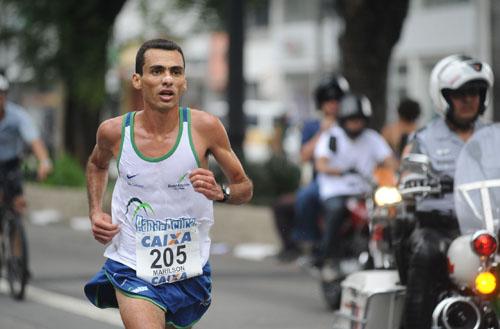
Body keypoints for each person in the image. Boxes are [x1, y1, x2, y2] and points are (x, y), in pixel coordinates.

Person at [83, 39, 253, 329]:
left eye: (176, 72)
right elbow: (97, 164)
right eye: (157, 71)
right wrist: (95, 211)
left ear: (184, 82)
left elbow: (244, 187)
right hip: (131, 264)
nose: (167, 80)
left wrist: (221, 192)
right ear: (137, 79)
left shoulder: (205, 128)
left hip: (189, 270)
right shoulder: (113, 132)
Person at [398, 54, 494, 329]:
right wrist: (412, 180)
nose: (469, 100)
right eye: (460, 94)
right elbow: (406, 174)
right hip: (442, 226)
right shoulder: (423, 139)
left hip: (487, 225)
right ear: (445, 98)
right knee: (427, 251)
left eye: (475, 92)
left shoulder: (492, 136)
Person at [314, 93, 396, 270]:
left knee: (390, 215)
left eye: (359, 119)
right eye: (352, 119)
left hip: (365, 191)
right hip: (337, 190)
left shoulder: (373, 138)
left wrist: (402, 170)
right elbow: (320, 164)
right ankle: (328, 257)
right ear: (343, 120)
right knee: (335, 210)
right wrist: (339, 171)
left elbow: (391, 162)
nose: (356, 124)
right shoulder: (331, 137)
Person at [291, 75, 350, 258]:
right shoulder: (312, 125)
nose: (333, 105)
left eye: (336, 101)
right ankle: (311, 242)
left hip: (351, 178)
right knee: (304, 197)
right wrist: (322, 132)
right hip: (323, 180)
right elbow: (303, 156)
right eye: (328, 101)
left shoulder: (351, 123)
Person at [0, 73, 52, 214]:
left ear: (5, 96)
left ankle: (17, 233)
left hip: (11, 163)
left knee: (18, 204)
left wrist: (44, 162)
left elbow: (34, 140)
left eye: (1, 94)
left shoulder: (17, 115)